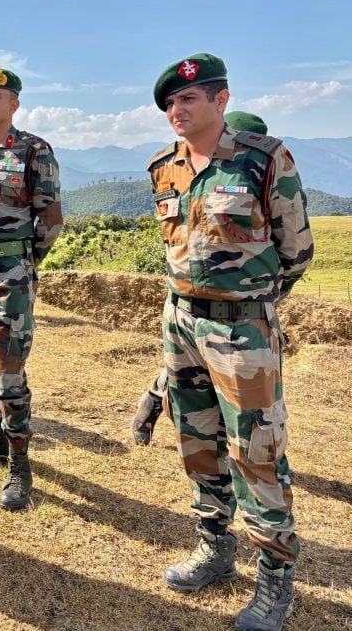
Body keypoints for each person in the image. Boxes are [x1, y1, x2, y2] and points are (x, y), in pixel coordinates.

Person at [148, 53, 312, 631]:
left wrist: (251, 305)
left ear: (220, 100)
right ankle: (215, 547)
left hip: (243, 328)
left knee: (257, 452)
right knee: (197, 443)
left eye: (188, 99)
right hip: (180, 323)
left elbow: (296, 251)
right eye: (170, 102)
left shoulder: (263, 159)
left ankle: (275, 576)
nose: (177, 109)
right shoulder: (163, 169)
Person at [131, 110, 270, 445]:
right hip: (195, 307)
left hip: (245, 306)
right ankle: (151, 403)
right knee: (190, 373)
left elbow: (291, 248)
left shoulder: (262, 172)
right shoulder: (188, 172)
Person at [0, 68, 63, 510]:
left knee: (8, 374)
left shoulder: (34, 150)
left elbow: (52, 220)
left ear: (14, 103)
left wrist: (23, 262)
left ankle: (20, 464)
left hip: (10, 274)